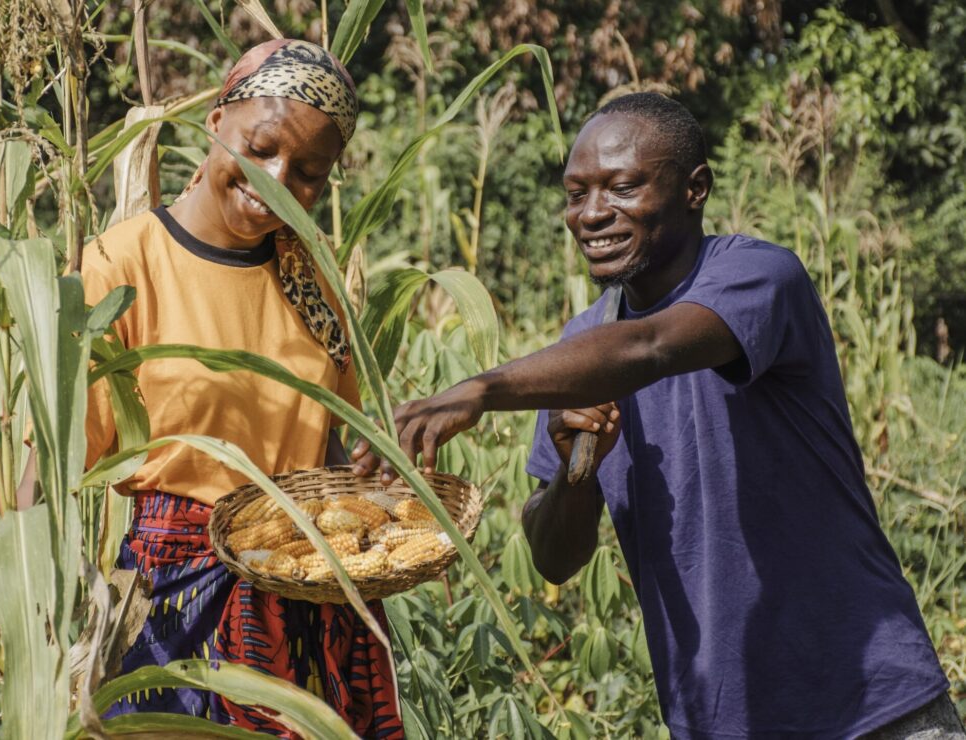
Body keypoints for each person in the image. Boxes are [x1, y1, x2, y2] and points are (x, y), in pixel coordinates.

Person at [351, 92, 963, 738]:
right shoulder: (582, 345)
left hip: (870, 703)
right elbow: (555, 559)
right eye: (576, 193)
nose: (591, 215)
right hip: (721, 719)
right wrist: (575, 475)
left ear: (694, 188)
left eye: (621, 188)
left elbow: (652, 346)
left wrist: (478, 390)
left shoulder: (759, 276)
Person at [80, 39, 403, 737]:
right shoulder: (121, 262)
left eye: (310, 173)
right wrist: (35, 616)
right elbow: (48, 466)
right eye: (261, 148)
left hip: (304, 599)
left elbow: (329, 447)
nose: (279, 180)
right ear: (217, 118)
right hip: (170, 606)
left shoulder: (314, 283)